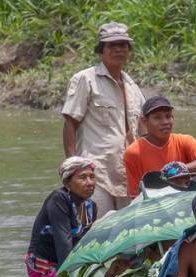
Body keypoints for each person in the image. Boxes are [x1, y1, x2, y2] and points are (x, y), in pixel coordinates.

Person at [61, 22, 145, 218]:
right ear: (101, 50)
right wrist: (73, 164)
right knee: (97, 231)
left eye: (123, 45)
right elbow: (70, 122)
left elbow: (143, 129)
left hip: (128, 172)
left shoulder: (132, 85)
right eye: (112, 45)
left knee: (129, 234)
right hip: (94, 171)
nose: (118, 49)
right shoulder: (85, 79)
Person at [24, 157, 97, 277]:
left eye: (92, 177)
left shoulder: (90, 206)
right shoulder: (59, 199)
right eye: (82, 177)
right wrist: (69, 276)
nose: (89, 182)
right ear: (67, 182)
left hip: (68, 260)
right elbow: (63, 241)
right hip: (43, 268)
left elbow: (86, 242)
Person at [123, 96, 196, 198]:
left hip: (185, 194)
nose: (165, 122)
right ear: (144, 121)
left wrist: (179, 170)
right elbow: (134, 195)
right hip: (155, 201)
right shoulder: (133, 152)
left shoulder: (184, 140)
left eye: (168, 116)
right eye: (157, 118)